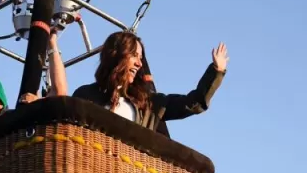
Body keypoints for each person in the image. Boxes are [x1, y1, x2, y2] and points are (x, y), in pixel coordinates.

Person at [71, 31, 229, 135]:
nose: (139, 64)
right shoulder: (85, 96)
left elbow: (191, 103)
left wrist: (216, 71)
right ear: (116, 55)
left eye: (141, 58)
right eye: (134, 56)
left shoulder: (148, 103)